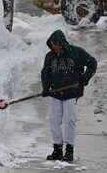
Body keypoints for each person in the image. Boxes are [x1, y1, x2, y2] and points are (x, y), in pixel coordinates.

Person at [41, 29, 97, 162]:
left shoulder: (76, 52)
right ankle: (57, 148)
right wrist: (45, 87)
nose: (53, 47)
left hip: (72, 94)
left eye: (55, 44)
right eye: (51, 44)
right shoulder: (50, 56)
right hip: (55, 94)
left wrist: (86, 77)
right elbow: (45, 72)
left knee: (69, 121)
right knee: (54, 121)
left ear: (62, 43)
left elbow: (92, 62)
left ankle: (69, 150)